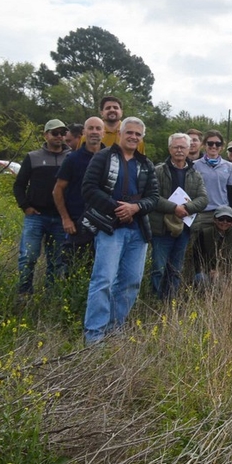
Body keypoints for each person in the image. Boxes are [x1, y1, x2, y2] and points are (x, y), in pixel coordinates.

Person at [81, 117, 161, 344]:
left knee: (131, 282)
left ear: (141, 137)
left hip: (138, 231)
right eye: (130, 132)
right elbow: (88, 189)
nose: (133, 137)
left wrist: (135, 207)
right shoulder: (103, 157)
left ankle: (115, 330)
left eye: (138, 134)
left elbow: (153, 198)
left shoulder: (145, 164)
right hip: (110, 228)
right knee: (103, 280)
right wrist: (117, 209)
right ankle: (94, 335)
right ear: (120, 133)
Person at [14, 119, 70, 299]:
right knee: (28, 257)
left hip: (61, 218)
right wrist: (26, 206)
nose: (59, 136)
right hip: (36, 216)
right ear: (45, 135)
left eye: (62, 133)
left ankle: (50, 297)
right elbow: (19, 185)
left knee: (57, 261)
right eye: (55, 133)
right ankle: (24, 294)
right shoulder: (33, 157)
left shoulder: (70, 157)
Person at [149, 132, 209, 300]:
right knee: (158, 268)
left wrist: (187, 208)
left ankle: (170, 303)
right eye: (176, 147)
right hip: (161, 228)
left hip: (184, 228)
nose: (179, 151)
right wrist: (174, 207)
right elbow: (152, 196)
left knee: (176, 269)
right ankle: (155, 302)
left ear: (189, 149)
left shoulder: (195, 174)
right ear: (169, 149)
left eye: (183, 147)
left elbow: (204, 199)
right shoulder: (158, 171)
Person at [54, 116, 104, 261]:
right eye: (90, 128)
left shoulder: (111, 157)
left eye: (98, 128)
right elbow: (57, 190)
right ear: (84, 132)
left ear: (103, 132)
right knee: (74, 266)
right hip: (78, 223)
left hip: (105, 224)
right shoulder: (72, 159)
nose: (94, 132)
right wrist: (66, 219)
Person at [192, 129, 232, 234]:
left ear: (222, 147)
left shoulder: (229, 166)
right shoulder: (195, 165)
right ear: (204, 145)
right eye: (210, 143)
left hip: (223, 213)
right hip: (202, 213)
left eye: (217, 144)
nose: (214, 146)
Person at [190, 205, 232, 286]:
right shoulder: (204, 234)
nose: (225, 222)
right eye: (221, 219)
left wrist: (228, 272)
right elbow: (196, 258)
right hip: (208, 273)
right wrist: (209, 271)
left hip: (231, 273)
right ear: (214, 219)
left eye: (228, 220)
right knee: (201, 278)